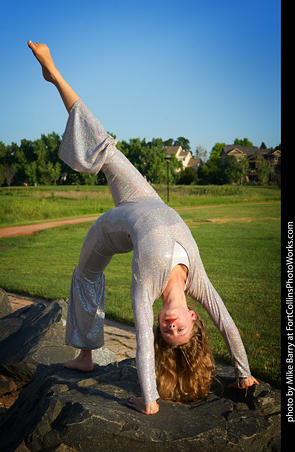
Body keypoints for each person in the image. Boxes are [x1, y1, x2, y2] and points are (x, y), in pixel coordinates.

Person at [27, 41, 259, 415]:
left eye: (167, 333)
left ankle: (85, 354)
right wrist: (244, 373)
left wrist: (150, 401)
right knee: (103, 145)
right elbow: (229, 325)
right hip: (145, 196)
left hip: (113, 229)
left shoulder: (146, 287)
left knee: (86, 274)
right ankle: (54, 75)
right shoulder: (197, 279)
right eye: (180, 329)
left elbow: (141, 345)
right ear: (193, 318)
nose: (170, 327)